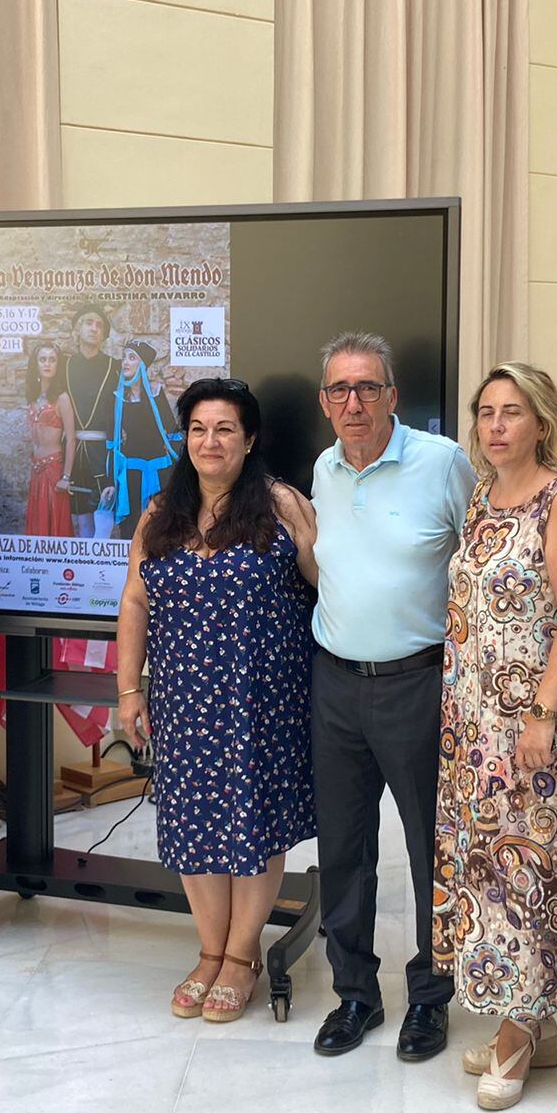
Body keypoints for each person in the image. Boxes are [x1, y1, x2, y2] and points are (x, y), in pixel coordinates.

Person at [433, 362, 557, 1109]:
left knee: (530, 875)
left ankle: (517, 1036)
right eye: (485, 413)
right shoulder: (485, 496)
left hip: (541, 726)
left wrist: (541, 715)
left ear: (542, 422)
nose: (496, 426)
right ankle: (530, 1024)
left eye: (511, 412)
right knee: (489, 870)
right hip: (477, 724)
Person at [115, 377, 318, 1022]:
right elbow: (134, 602)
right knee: (193, 823)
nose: (210, 441)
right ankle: (209, 951)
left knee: (254, 821)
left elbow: (327, 585)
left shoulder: (282, 504)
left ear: (249, 438)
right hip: (184, 699)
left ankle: (242, 955)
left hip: (266, 698)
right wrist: (129, 687)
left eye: (225, 429)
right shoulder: (159, 512)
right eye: (199, 429)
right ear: (184, 438)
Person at [308, 331, 476, 1061]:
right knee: (343, 850)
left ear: (392, 397)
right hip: (336, 684)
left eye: (367, 388)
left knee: (429, 849)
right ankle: (355, 995)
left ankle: (430, 1000)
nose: (354, 403)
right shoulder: (322, 469)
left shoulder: (442, 464)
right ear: (324, 403)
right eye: (340, 390)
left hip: (418, 685)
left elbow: (484, 562)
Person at [106, 340, 181, 540]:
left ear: (143, 365)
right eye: (124, 357)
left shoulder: (156, 394)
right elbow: (111, 441)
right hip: (130, 473)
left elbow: (173, 432)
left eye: (132, 358)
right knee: (131, 528)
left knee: (159, 526)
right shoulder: (117, 398)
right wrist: (109, 480)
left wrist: (177, 473)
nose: (125, 363)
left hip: (159, 471)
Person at [66, 304, 120, 538]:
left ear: (105, 335)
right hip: (73, 449)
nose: (94, 328)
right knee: (80, 515)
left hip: (103, 450)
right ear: (77, 329)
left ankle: (100, 569)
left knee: (105, 509)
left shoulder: (114, 366)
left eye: (99, 325)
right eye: (89, 322)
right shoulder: (65, 366)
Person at [25, 341, 75, 537]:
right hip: (36, 469)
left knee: (55, 526)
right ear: (35, 364)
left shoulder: (62, 398)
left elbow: (71, 439)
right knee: (37, 526)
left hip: (53, 469)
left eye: (52, 360)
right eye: (42, 359)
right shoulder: (32, 397)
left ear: (57, 365)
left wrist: (66, 476)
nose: (47, 364)